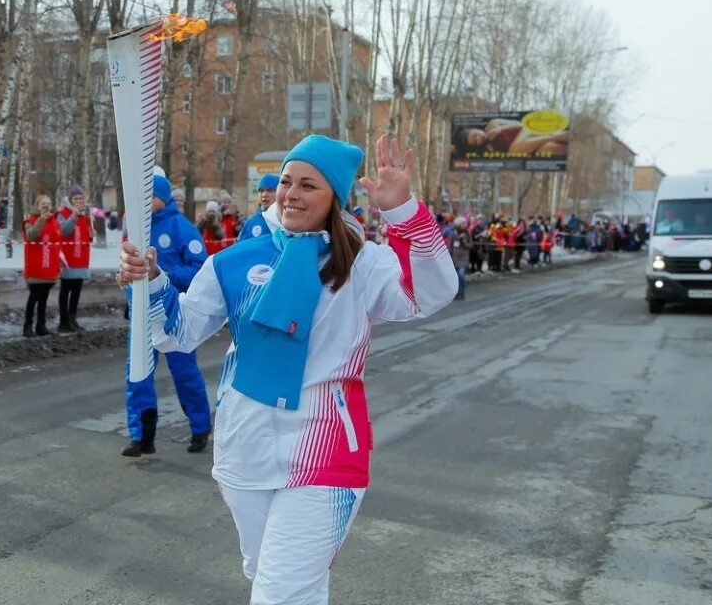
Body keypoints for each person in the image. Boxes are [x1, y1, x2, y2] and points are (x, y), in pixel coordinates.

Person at [117, 133, 457, 604]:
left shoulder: (361, 264)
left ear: (334, 198)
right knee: (274, 578)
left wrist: (402, 213)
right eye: (287, 182)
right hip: (245, 451)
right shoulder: (237, 261)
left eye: (308, 185)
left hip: (327, 454)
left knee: (280, 594)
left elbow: (432, 293)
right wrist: (151, 282)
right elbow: (178, 331)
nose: (291, 193)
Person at [121, 171, 212, 457]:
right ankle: (142, 436)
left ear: (162, 197)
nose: (146, 202)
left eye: (151, 197)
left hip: (173, 312)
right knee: (138, 375)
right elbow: (128, 268)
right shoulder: (136, 229)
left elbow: (200, 268)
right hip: (142, 315)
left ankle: (200, 428)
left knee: (184, 373)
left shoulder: (181, 228)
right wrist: (128, 289)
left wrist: (166, 275)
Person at [22, 194, 62, 337]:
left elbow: (57, 244)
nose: (46, 206)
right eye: (43, 204)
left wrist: (59, 263)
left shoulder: (55, 222)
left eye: (48, 204)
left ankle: (41, 324)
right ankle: (27, 326)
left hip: (49, 267)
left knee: (44, 299)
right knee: (34, 297)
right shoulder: (30, 220)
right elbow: (32, 236)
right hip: (35, 266)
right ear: (37, 206)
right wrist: (41, 220)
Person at [56, 184, 94, 332]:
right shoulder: (63, 213)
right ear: (70, 200)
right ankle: (63, 321)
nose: (78, 200)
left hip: (81, 258)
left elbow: (87, 235)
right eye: (75, 198)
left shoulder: (85, 215)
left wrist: (91, 235)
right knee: (65, 290)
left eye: (80, 198)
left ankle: (73, 318)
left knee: (77, 290)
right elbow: (64, 230)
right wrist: (73, 216)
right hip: (67, 258)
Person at [237, 173, 277, 241]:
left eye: (269, 191)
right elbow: (240, 247)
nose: (264, 195)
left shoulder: (285, 222)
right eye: (261, 191)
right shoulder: (250, 223)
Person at [447, 217, 471, 300]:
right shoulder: (453, 233)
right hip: (455, 258)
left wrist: (464, 243)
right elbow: (450, 246)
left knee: (461, 275)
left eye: (465, 223)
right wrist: (448, 257)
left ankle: (462, 293)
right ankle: (457, 293)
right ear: (458, 224)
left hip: (463, 258)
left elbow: (471, 245)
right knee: (456, 278)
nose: (465, 225)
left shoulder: (467, 233)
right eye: (463, 223)